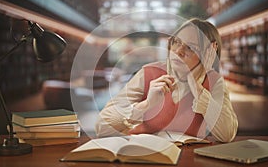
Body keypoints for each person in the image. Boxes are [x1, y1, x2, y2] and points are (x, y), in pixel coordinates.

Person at [95, 18, 238, 143]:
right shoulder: (149, 73)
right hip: (139, 155)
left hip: (185, 159)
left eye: (190, 47)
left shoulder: (213, 82)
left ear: (209, 53)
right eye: (176, 42)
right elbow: (101, 126)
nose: (178, 51)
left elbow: (226, 135)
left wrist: (198, 88)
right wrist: (146, 105)